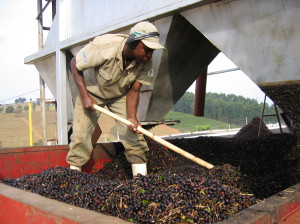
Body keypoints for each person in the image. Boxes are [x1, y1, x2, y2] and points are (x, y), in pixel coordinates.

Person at [66, 21, 165, 177]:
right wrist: (85, 96)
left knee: (134, 133)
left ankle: (141, 182)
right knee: (80, 135)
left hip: (119, 95)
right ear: (133, 43)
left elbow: (134, 90)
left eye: (152, 51)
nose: (150, 55)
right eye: (147, 49)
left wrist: (132, 117)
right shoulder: (104, 46)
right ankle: (72, 178)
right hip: (92, 92)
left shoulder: (145, 61)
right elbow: (74, 64)